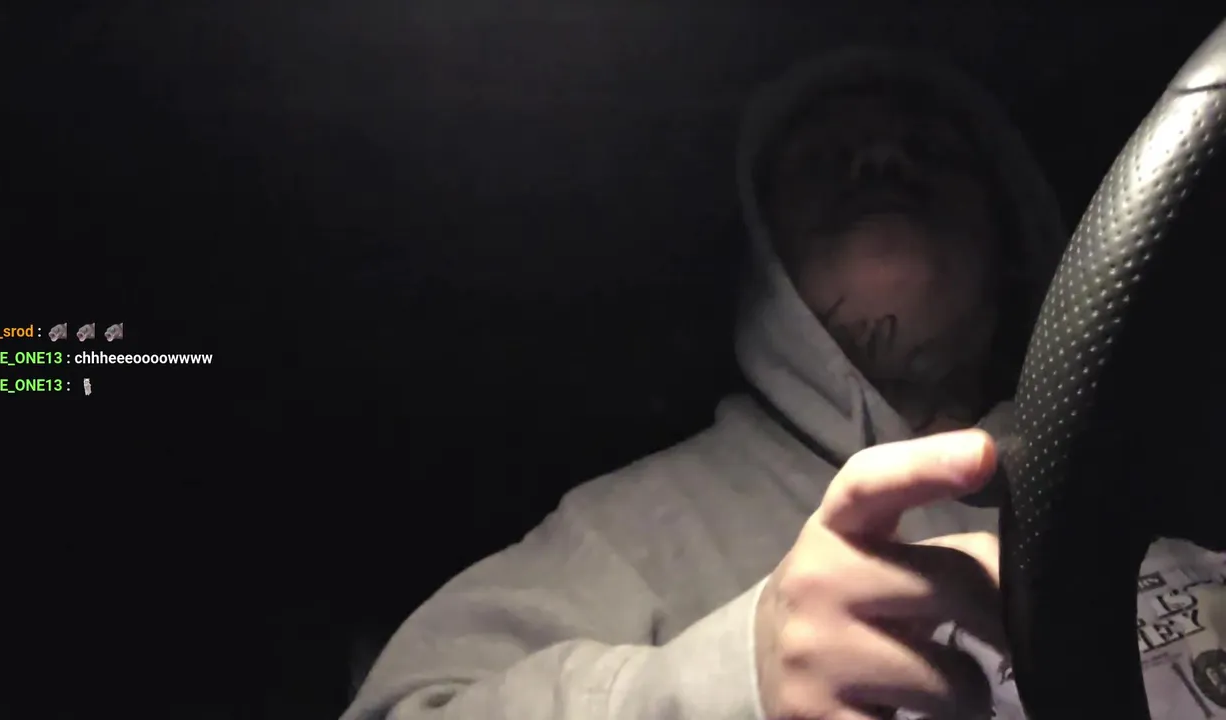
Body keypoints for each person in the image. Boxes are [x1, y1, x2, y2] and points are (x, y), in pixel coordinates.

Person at [344, 48, 1226, 720]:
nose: (880, 164)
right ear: (764, 262)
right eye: (825, 160)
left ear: (1011, 245)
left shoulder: (1152, 467)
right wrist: (731, 679)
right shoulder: (638, 526)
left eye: (930, 153)